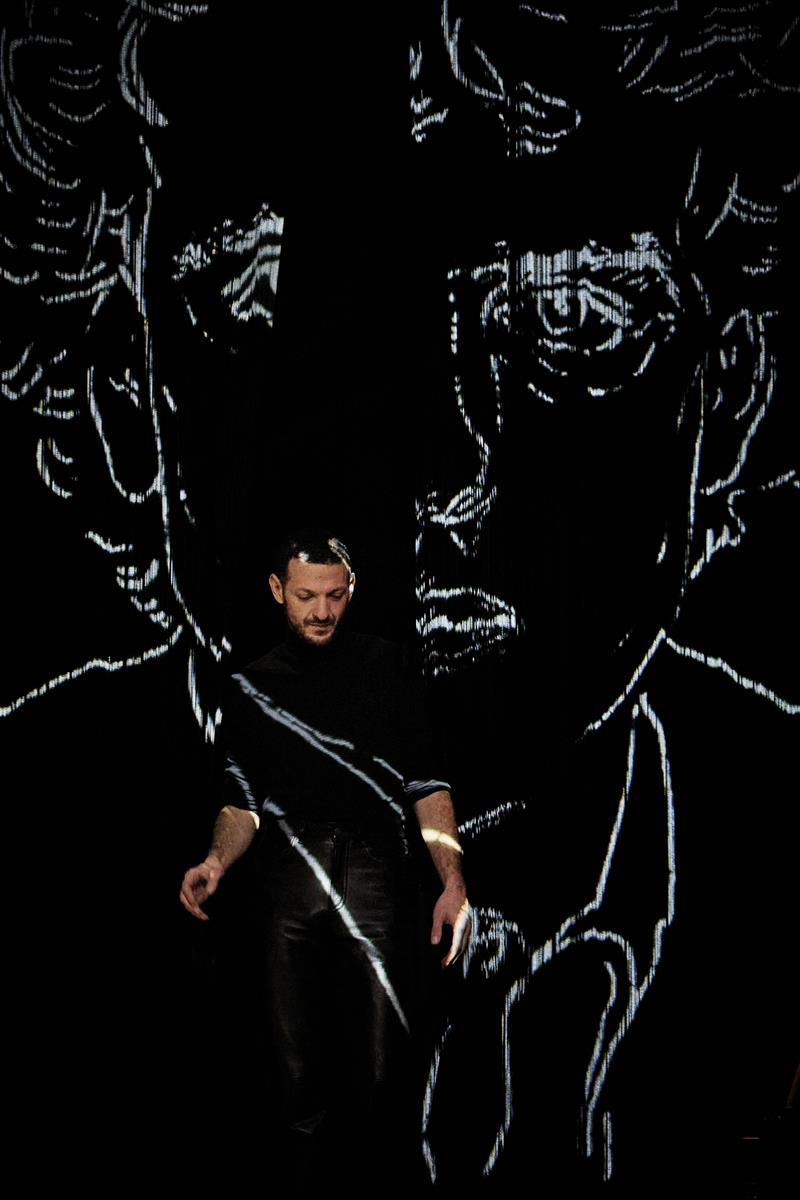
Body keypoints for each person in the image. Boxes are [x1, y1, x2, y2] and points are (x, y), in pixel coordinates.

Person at [180, 529, 470, 1189]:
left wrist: (452, 881)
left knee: (385, 1074)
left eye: (334, 596)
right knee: (294, 1078)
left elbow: (427, 784)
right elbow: (242, 802)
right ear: (277, 590)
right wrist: (216, 862)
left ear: (352, 590)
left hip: (374, 876)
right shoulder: (254, 684)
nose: (321, 611)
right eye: (307, 596)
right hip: (288, 881)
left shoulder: (390, 667)